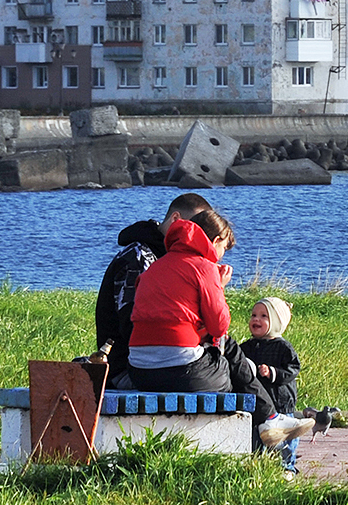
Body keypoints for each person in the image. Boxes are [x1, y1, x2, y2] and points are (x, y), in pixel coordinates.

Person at [89, 192, 213, 386]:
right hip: (131, 367)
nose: (202, 237)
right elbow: (131, 324)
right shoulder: (138, 258)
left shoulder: (173, 259)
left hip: (163, 360)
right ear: (176, 219)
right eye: (197, 228)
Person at [125, 208, 237, 392]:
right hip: (181, 367)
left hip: (139, 369)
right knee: (224, 370)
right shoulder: (204, 267)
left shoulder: (154, 267)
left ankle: (269, 414)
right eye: (224, 248)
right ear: (216, 241)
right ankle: (260, 416)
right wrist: (220, 287)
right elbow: (219, 326)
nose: (221, 256)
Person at [240, 297, 302, 472]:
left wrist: (273, 372)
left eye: (263, 316)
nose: (256, 319)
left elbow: (293, 369)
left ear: (276, 322)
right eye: (253, 315)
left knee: (284, 437)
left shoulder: (283, 347)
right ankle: (258, 465)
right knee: (257, 435)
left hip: (279, 401)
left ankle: (286, 467)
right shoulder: (246, 347)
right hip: (257, 403)